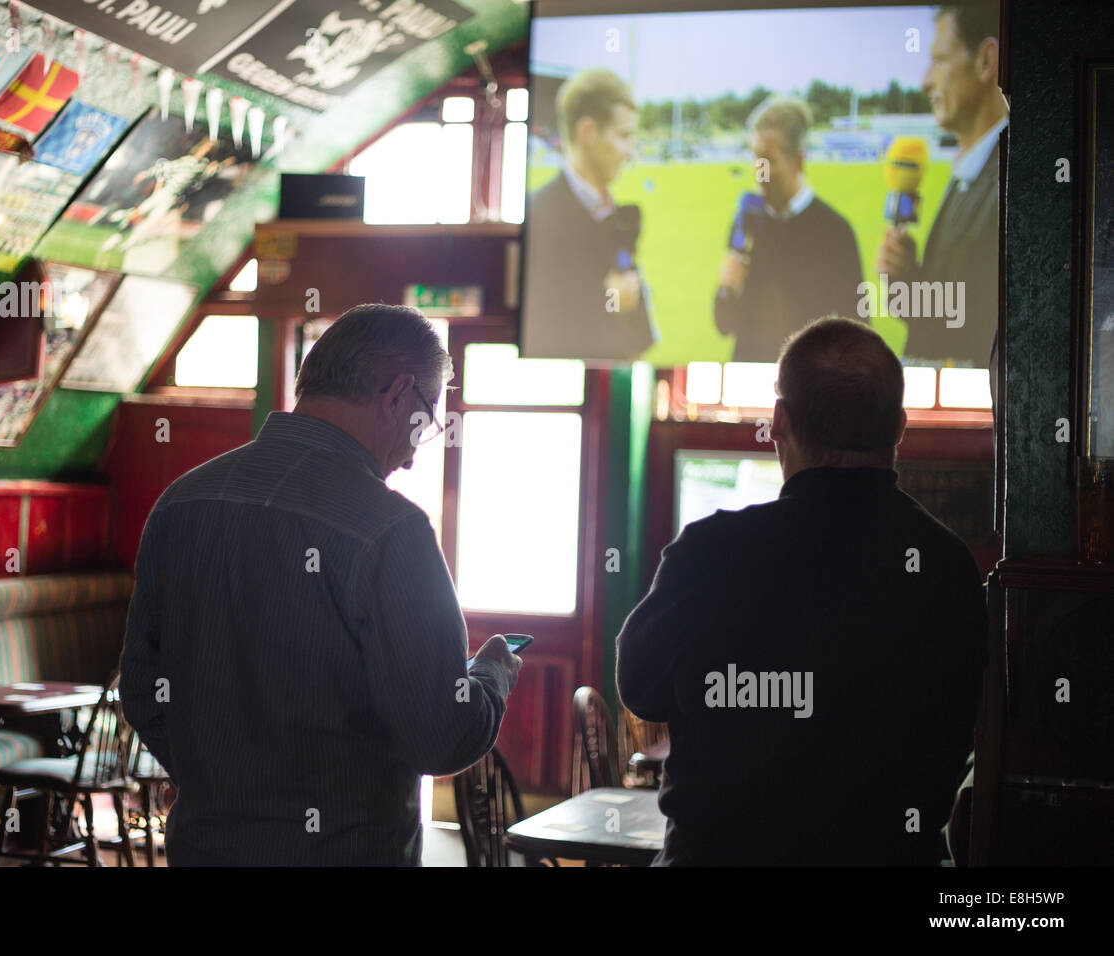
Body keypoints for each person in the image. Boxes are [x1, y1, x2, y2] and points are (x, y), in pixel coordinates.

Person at [120, 304, 523, 866]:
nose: (411, 460)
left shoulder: (181, 503)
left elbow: (141, 691)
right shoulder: (390, 531)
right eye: (427, 420)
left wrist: (227, 788)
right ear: (398, 394)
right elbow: (441, 735)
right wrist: (492, 676)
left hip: (204, 849)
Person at [616, 316, 987, 865]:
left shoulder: (711, 550)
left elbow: (640, 688)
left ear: (779, 421)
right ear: (900, 427)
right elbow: (973, 726)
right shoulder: (949, 567)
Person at [877, 1, 1006, 382]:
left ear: (986, 61)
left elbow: (979, 330)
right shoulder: (975, 169)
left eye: (938, 60)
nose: (925, 82)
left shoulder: (1007, 181)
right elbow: (960, 313)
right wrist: (910, 283)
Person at [715, 96, 865, 362]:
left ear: (797, 160)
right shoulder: (746, 221)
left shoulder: (835, 233)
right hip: (746, 383)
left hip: (806, 390)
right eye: (755, 158)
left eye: (768, 160)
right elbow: (723, 324)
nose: (758, 172)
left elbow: (857, 334)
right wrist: (727, 289)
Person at [524, 68, 658, 361]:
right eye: (623, 135)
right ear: (587, 132)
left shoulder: (620, 217)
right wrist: (606, 301)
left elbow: (641, 335)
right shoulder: (540, 215)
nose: (630, 153)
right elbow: (545, 328)